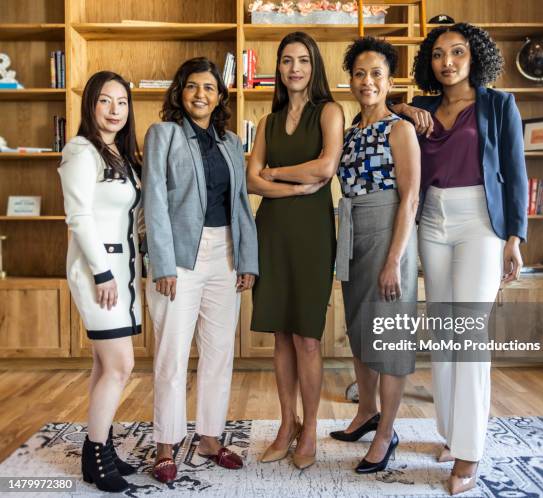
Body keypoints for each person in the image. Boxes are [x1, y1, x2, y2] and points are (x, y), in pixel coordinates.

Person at [392, 23, 528, 495]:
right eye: (437, 54)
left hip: (480, 224)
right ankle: (451, 435)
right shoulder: (423, 107)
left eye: (457, 52)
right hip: (431, 219)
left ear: (475, 58)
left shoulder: (498, 104)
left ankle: (469, 453)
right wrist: (404, 106)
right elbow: (383, 107)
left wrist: (515, 236)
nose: (447, 61)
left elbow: (515, 171)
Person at [143, 57, 258, 483]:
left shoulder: (229, 142)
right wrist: (162, 262)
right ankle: (165, 445)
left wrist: (247, 259)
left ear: (220, 95)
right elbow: (153, 198)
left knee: (218, 354)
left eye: (209, 88)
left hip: (224, 255)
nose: (200, 95)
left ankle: (210, 438)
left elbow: (241, 204)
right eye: (192, 86)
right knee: (172, 354)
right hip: (179, 258)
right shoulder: (164, 134)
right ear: (180, 91)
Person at [246, 31, 344, 470]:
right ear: (278, 69)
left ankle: (310, 430)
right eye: (286, 61)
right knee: (280, 335)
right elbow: (251, 180)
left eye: (302, 60)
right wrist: (293, 188)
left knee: (306, 336)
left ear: (314, 65)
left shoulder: (330, 111)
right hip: (272, 230)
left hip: (312, 235)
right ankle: (286, 425)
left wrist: (277, 173)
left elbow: (326, 166)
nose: (294, 68)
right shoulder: (268, 122)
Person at [329, 37, 421, 474]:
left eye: (377, 74)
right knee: (360, 328)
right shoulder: (350, 133)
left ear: (390, 81)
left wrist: (394, 260)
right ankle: (366, 412)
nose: (367, 81)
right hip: (351, 229)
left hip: (388, 231)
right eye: (360, 73)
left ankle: (387, 433)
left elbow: (410, 198)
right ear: (351, 80)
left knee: (391, 333)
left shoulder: (399, 128)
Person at [58, 70, 142, 493]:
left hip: (122, 272)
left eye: (122, 102)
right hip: (100, 273)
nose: (114, 110)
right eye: (106, 101)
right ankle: (93, 453)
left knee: (103, 363)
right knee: (121, 364)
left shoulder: (119, 154)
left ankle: (102, 447)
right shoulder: (80, 150)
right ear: (90, 104)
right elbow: (79, 217)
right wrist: (102, 272)